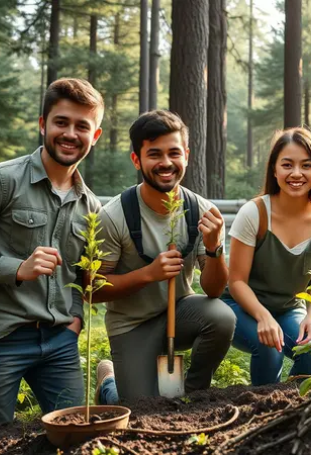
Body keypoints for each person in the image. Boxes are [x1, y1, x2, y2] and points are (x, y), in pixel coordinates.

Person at [0, 78, 105, 434]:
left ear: (95, 136)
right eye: (61, 122)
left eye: (81, 126)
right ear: (43, 124)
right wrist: (16, 269)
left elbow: (77, 277)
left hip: (59, 341)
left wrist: (74, 318)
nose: (70, 133)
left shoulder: (90, 206)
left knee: (75, 435)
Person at [91, 110, 235, 404]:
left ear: (187, 155)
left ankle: (193, 394)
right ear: (137, 160)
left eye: (174, 153)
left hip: (178, 314)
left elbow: (215, 290)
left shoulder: (202, 211)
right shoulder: (114, 216)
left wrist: (213, 248)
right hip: (131, 325)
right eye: (154, 154)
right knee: (141, 409)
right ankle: (109, 385)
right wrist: (148, 274)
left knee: (221, 317)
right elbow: (92, 289)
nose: (166, 163)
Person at [222, 128, 311, 386]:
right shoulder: (254, 213)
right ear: (274, 171)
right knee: (269, 348)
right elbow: (237, 281)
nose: (296, 173)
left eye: (306, 166)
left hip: (288, 309)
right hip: (239, 307)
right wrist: (263, 317)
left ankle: (293, 410)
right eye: (287, 165)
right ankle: (261, 410)